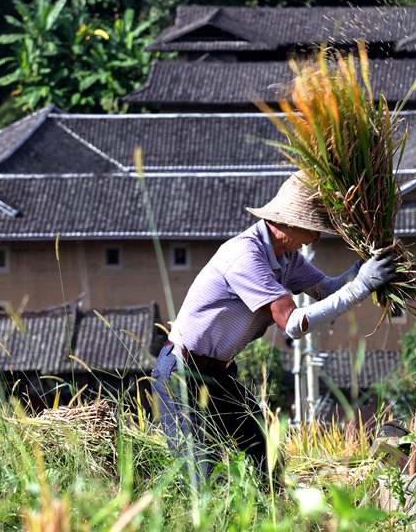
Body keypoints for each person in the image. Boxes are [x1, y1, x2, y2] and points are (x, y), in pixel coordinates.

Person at [150, 173, 396, 485]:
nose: (316, 240)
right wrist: (360, 287)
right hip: (182, 370)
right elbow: (293, 324)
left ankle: (271, 514)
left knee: (264, 453)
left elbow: (326, 290)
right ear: (288, 223)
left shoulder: (286, 257)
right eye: (312, 230)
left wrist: (359, 270)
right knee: (200, 469)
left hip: (219, 373)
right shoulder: (246, 256)